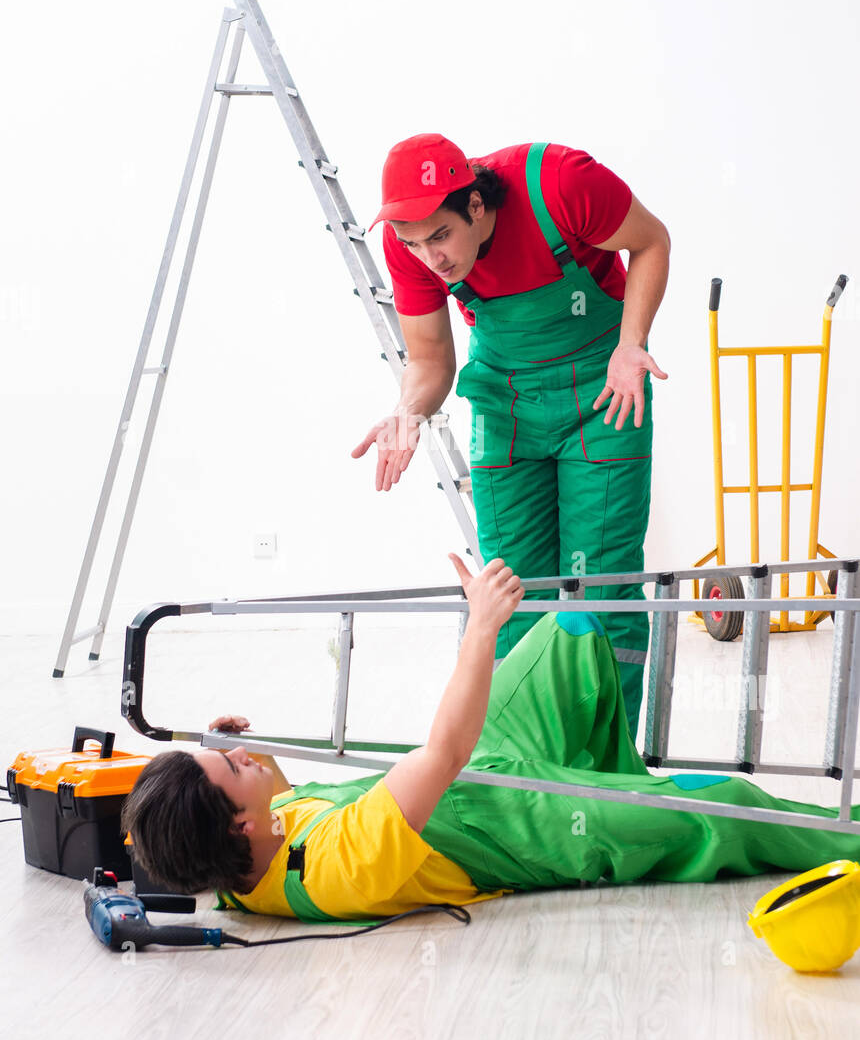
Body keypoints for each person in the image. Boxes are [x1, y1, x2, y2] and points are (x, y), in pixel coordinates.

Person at [121, 553, 860, 924]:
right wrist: (480, 627)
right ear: (239, 823)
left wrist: (231, 752)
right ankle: (827, 835)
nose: (240, 755)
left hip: (481, 764)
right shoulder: (340, 867)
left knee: (570, 633)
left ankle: (620, 790)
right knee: (725, 801)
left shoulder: (243, 869)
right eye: (229, 767)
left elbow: (276, 798)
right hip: (506, 816)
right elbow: (441, 756)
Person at [352, 134, 671, 736]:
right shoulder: (409, 246)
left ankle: (609, 762)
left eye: (440, 236)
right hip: (505, 406)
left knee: (599, 586)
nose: (431, 259)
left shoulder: (560, 184)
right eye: (415, 244)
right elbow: (429, 361)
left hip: (605, 389)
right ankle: (520, 760)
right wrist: (409, 410)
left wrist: (631, 345)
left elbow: (652, 242)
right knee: (507, 588)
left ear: (474, 205)